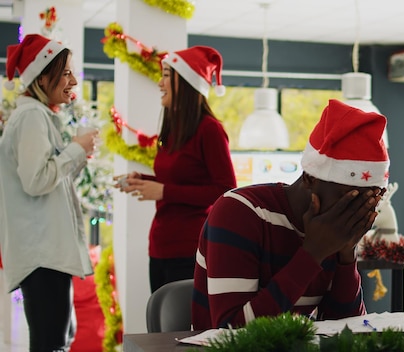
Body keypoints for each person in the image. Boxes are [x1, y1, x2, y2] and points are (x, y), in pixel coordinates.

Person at [192, 99, 390, 330]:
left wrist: (346, 255)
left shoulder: (334, 231)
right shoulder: (239, 212)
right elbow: (231, 332)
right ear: (310, 178)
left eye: (368, 201)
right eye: (349, 199)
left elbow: (347, 332)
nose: (355, 213)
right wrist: (313, 253)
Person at [0, 34, 97, 351]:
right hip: (42, 258)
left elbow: (47, 180)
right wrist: (74, 150)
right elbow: (36, 180)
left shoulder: (39, 116)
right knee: (51, 344)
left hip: (47, 257)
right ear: (42, 77)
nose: (72, 80)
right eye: (65, 72)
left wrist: (77, 154)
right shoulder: (31, 117)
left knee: (57, 341)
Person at [116, 46, 237, 293]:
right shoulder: (172, 129)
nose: (160, 83)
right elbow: (176, 180)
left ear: (187, 82)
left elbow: (225, 190)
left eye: (167, 76)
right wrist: (144, 180)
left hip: (189, 249)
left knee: (184, 330)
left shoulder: (209, 130)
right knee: (160, 328)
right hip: (160, 246)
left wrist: (164, 191)